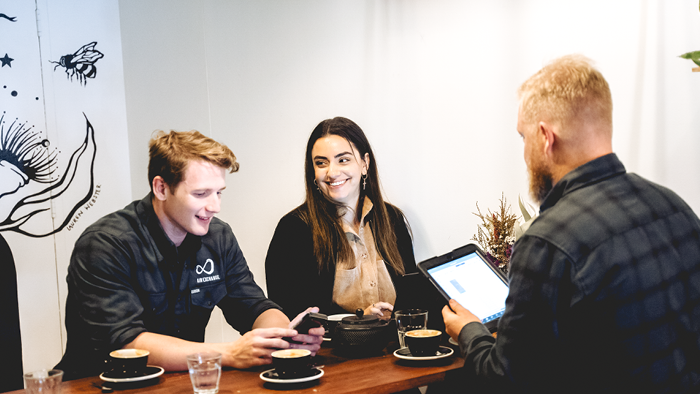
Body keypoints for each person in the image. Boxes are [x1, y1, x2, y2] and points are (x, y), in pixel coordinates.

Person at [442, 55, 700, 393]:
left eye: (524, 138)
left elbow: (506, 380)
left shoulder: (548, 243)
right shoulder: (673, 206)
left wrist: (470, 332)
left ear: (546, 138)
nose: (524, 153)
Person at [55, 130, 323, 380]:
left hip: (183, 382)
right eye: (200, 193)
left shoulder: (218, 237)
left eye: (219, 192)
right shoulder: (106, 244)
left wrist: (282, 337)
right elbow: (128, 342)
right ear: (161, 188)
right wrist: (229, 353)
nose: (214, 206)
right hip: (103, 384)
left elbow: (254, 306)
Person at [265, 117, 417, 321]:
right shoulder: (293, 230)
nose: (332, 172)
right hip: (328, 351)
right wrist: (358, 320)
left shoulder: (393, 219)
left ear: (365, 163)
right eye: (321, 163)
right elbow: (290, 314)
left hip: (395, 350)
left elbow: (413, 302)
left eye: (343, 160)